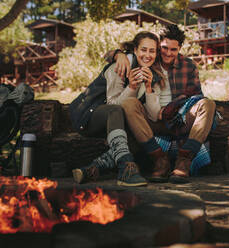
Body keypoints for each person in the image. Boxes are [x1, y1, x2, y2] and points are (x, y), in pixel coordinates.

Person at [106, 25, 216, 184]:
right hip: (152, 120)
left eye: (173, 49)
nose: (168, 53)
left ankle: (184, 160)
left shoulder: (189, 66)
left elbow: (196, 97)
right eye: (164, 48)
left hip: (179, 120)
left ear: (179, 48)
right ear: (159, 47)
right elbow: (116, 53)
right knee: (130, 104)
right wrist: (118, 55)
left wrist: (173, 108)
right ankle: (160, 161)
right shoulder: (150, 58)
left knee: (208, 104)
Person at [69, 31, 165, 187]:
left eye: (152, 51)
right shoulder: (119, 65)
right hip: (89, 115)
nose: (147, 55)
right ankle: (126, 167)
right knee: (116, 111)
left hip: (115, 125)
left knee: (136, 137)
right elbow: (112, 104)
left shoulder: (152, 75)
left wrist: (148, 88)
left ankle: (92, 169)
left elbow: (154, 116)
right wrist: (132, 87)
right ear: (135, 50)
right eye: (144, 49)